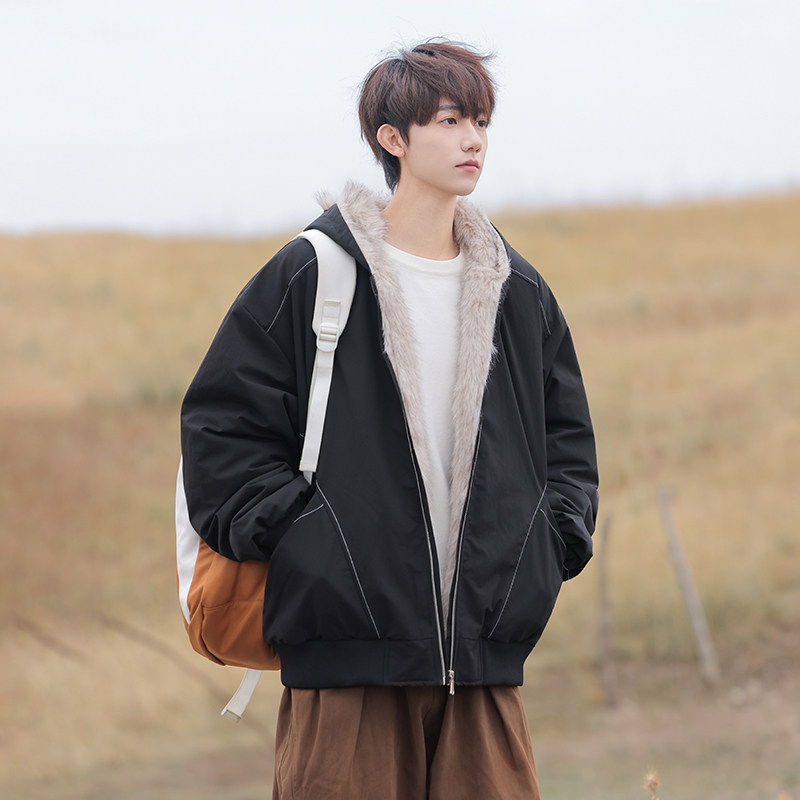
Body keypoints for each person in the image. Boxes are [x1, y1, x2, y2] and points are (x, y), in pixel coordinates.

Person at [180, 40, 598, 800]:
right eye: (450, 120)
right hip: (346, 667)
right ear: (392, 139)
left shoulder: (518, 291)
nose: (473, 140)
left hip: (482, 665)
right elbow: (221, 428)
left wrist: (549, 541)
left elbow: (567, 444)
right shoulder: (315, 272)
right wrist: (310, 542)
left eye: (481, 121)